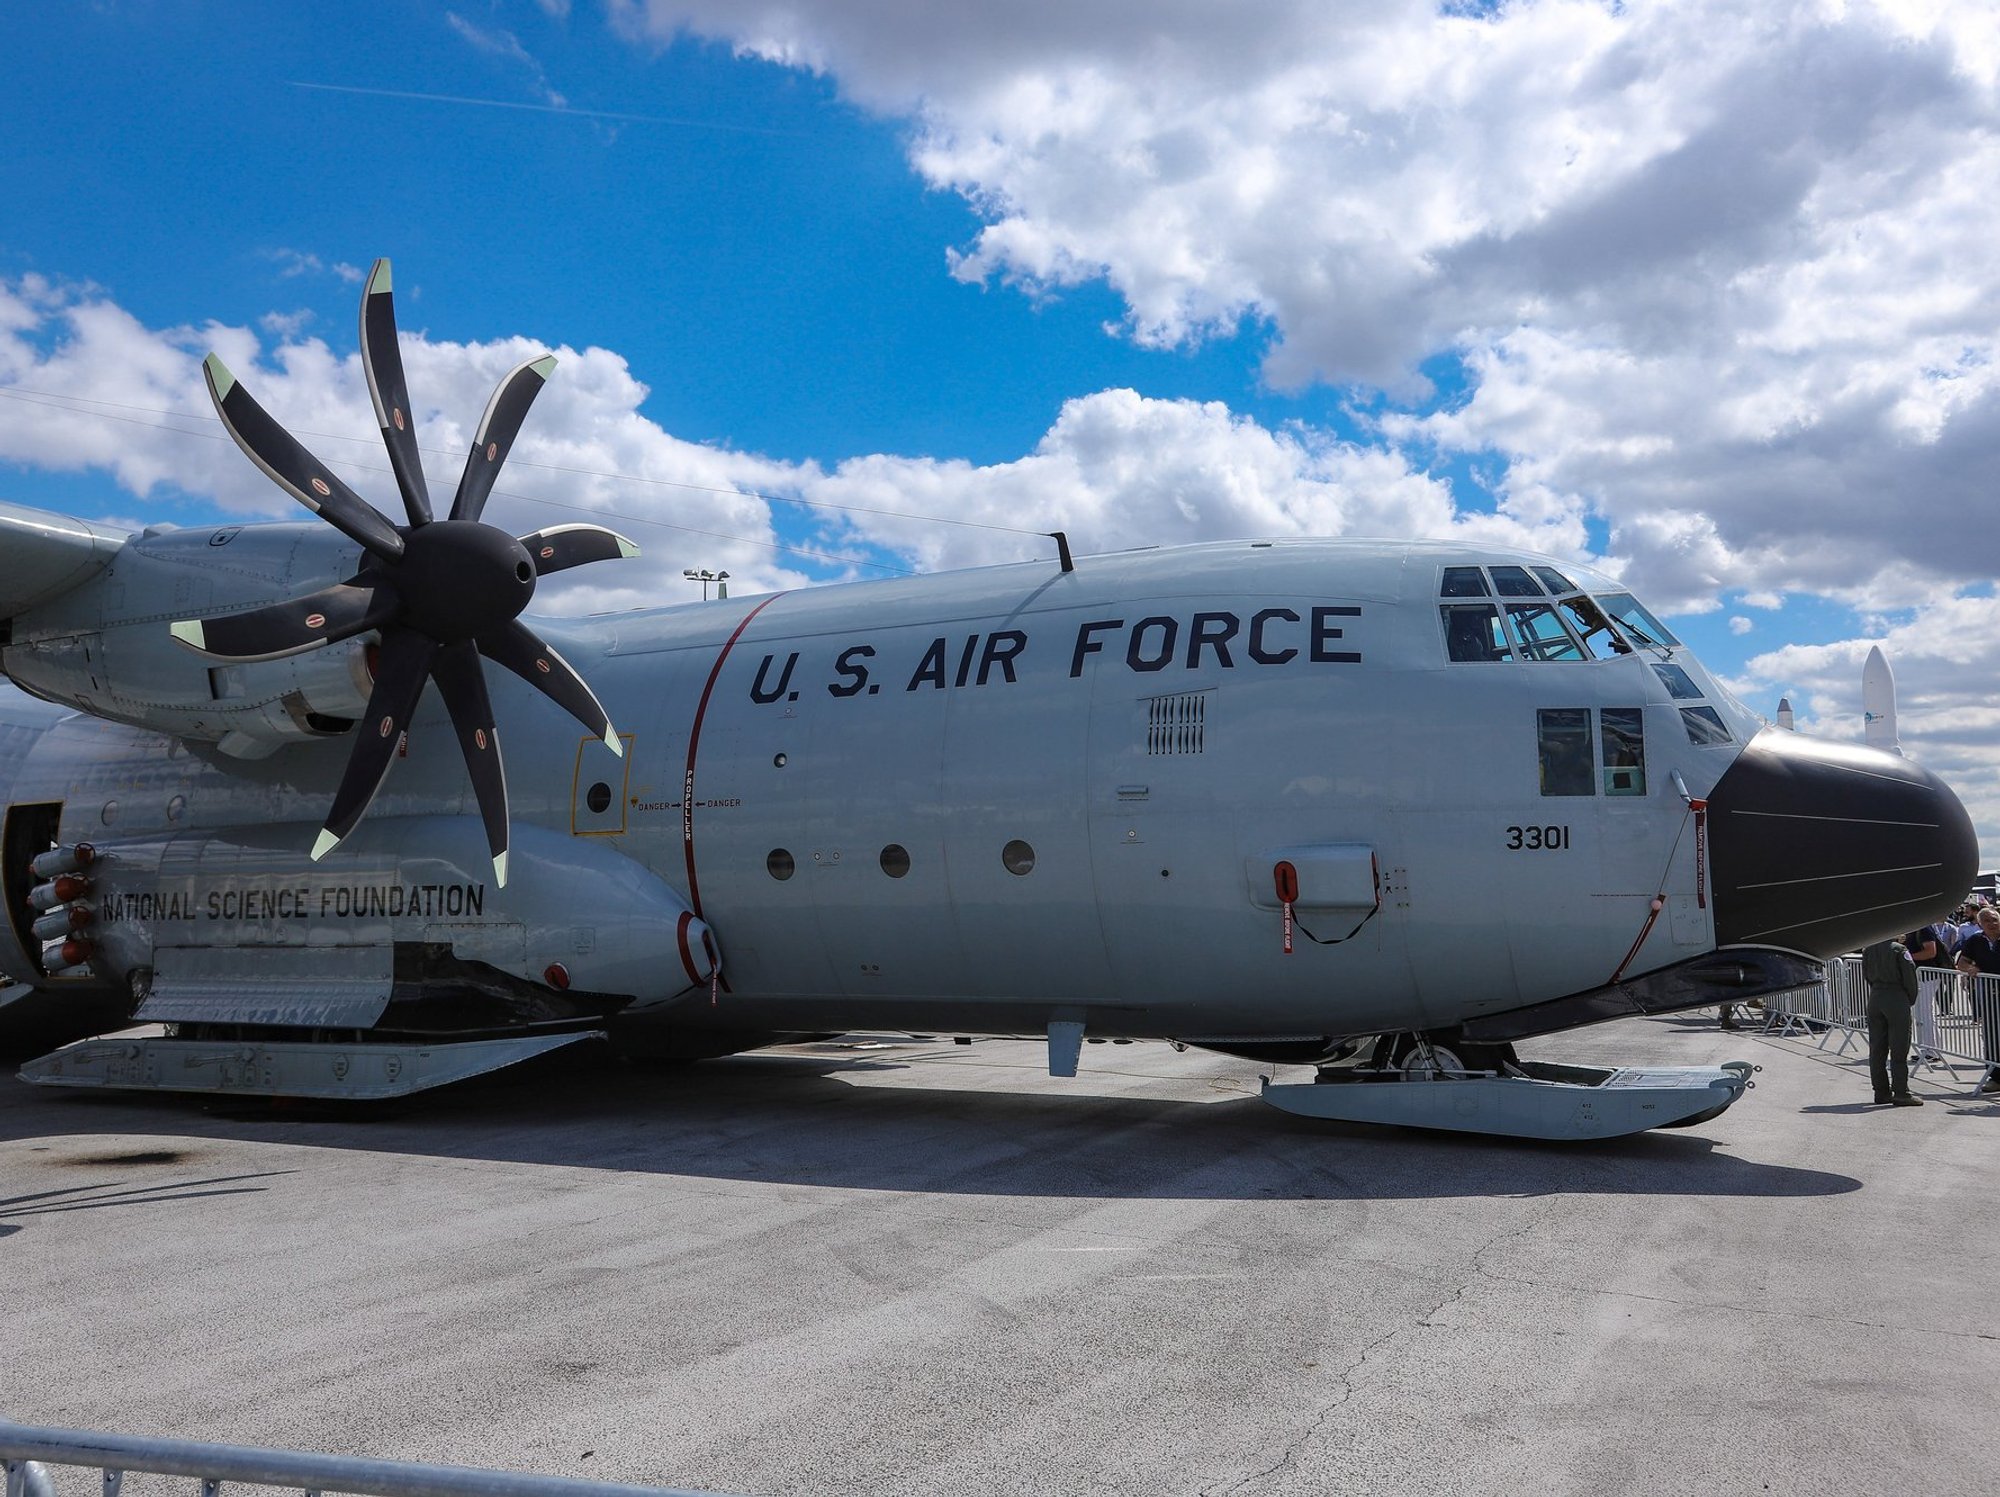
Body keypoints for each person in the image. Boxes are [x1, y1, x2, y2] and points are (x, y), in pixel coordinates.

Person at [1861, 937, 1923, 1106]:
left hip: (1876, 996)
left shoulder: (1869, 949)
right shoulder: (1899, 950)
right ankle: (1901, 1092)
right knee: (1899, 1047)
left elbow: (1866, 974)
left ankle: (1881, 1091)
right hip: (1895, 996)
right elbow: (1910, 977)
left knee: (1877, 1049)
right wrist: (1908, 999)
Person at [1954, 906, 2000, 1094]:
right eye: (1987, 920)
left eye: (1995, 919)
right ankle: (1995, 1077)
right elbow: (1962, 962)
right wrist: (1970, 969)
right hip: (1989, 995)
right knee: (1991, 1036)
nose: (1993, 923)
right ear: (1980, 923)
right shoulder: (1975, 940)